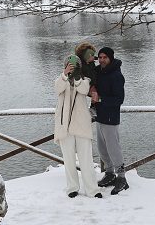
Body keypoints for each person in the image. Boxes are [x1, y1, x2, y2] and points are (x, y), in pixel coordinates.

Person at [53, 54, 101, 199]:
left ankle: (92, 190)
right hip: (65, 126)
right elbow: (57, 89)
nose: (72, 68)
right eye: (69, 65)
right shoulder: (60, 79)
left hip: (81, 125)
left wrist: (78, 76)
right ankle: (72, 188)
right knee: (68, 160)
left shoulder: (84, 80)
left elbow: (84, 90)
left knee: (86, 159)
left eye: (74, 65)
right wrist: (65, 74)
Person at [93, 46, 128, 194]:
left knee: (114, 148)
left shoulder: (116, 75)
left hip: (111, 117)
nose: (101, 60)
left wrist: (100, 98)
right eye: (99, 57)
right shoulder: (99, 72)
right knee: (102, 148)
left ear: (110, 58)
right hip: (99, 116)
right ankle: (109, 173)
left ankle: (121, 177)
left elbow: (119, 99)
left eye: (104, 57)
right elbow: (88, 73)